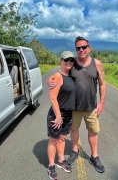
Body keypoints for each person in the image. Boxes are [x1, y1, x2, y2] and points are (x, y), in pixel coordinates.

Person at [48, 36, 106, 173]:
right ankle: (74, 151)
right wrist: (49, 81)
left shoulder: (97, 64)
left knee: (93, 131)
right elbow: (60, 75)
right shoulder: (72, 64)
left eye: (84, 47)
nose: (81, 50)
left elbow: (102, 84)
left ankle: (94, 156)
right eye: (78, 48)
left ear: (89, 48)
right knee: (74, 130)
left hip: (91, 106)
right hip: (74, 107)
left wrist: (102, 102)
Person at [47, 51, 76, 180]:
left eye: (71, 60)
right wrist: (58, 116)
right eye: (66, 60)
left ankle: (61, 161)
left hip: (68, 114)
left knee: (62, 138)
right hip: (58, 113)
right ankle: (51, 166)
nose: (69, 62)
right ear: (61, 61)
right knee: (54, 140)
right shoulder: (58, 76)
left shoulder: (71, 75)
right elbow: (53, 98)